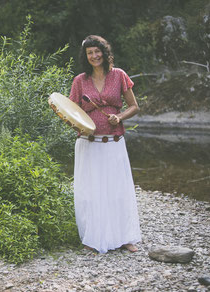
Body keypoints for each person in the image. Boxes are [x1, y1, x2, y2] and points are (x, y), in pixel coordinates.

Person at [69, 35, 141, 253]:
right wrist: (78, 126)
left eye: (97, 51)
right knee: (91, 192)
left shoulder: (119, 75)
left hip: (113, 142)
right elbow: (71, 113)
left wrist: (119, 117)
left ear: (104, 52)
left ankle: (125, 237)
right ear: (85, 56)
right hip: (88, 143)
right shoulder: (79, 81)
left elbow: (134, 106)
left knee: (118, 190)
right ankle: (92, 238)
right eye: (90, 52)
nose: (94, 56)